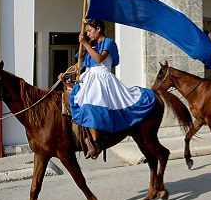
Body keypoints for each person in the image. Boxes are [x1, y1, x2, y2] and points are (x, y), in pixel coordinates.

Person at [66, 19, 156, 159]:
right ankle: (83, 136)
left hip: (102, 79)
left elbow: (99, 59)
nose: (88, 34)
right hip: (89, 78)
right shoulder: (90, 45)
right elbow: (78, 66)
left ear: (98, 29)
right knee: (75, 101)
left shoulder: (108, 42)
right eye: (87, 31)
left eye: (90, 30)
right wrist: (65, 73)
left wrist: (84, 43)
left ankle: (95, 142)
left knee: (92, 105)